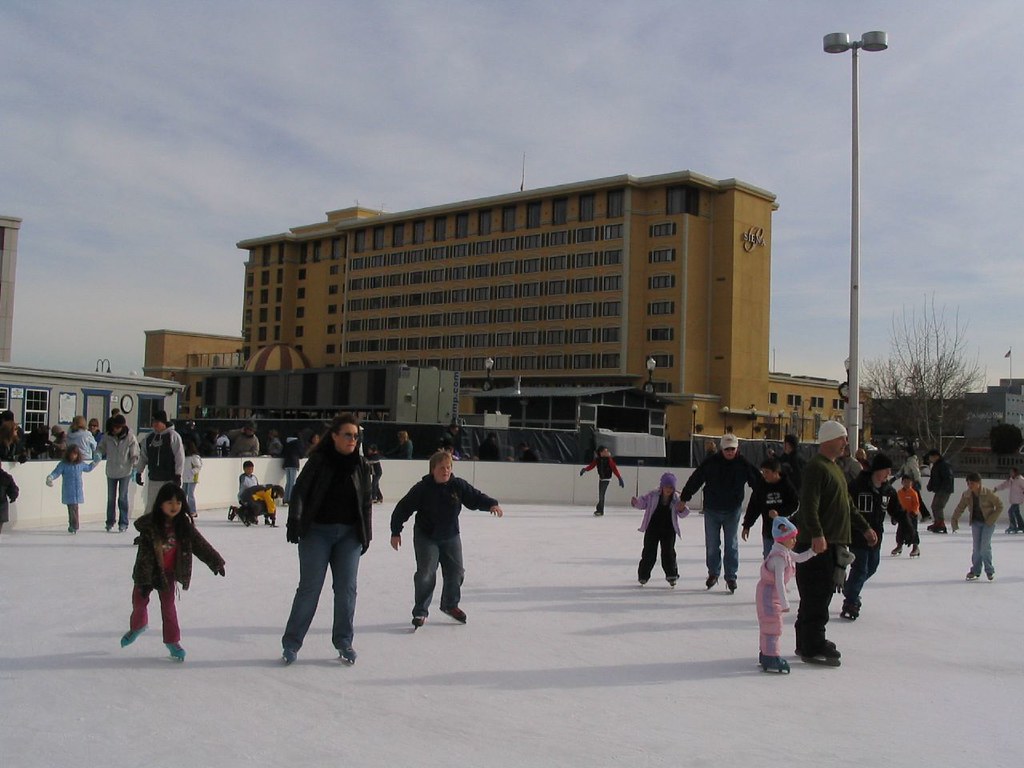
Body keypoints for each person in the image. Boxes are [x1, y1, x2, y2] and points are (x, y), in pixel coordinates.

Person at [282, 414, 373, 666]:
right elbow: (300, 491)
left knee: (346, 590)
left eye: (355, 436)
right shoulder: (319, 461)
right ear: (334, 436)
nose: (352, 439)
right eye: (347, 435)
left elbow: (366, 502)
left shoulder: (361, 465)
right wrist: (295, 519)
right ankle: (291, 642)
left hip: (349, 536)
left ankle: (344, 641)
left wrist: (366, 534)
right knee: (310, 589)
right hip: (317, 533)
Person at [793, 420, 876, 667]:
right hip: (817, 544)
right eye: (842, 438)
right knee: (816, 595)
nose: (846, 443)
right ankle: (812, 644)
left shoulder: (835, 468)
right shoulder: (816, 468)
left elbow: (847, 505)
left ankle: (807, 640)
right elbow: (809, 504)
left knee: (820, 595)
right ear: (829, 439)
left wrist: (865, 527)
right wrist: (817, 534)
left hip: (831, 543)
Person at [390, 451, 503, 628]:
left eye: (448, 467)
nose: (446, 471)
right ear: (433, 469)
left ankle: (450, 605)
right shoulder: (422, 488)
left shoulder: (457, 485)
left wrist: (491, 504)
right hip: (426, 536)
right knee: (426, 573)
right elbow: (403, 508)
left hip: (450, 535)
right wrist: (396, 531)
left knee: (456, 572)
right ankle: (420, 611)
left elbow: (474, 497)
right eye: (441, 468)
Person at [119, 483, 225, 662]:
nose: (174, 506)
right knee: (138, 603)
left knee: (168, 607)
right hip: (147, 572)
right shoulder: (151, 526)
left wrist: (216, 562)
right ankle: (138, 626)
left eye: (178, 502)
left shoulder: (183, 526)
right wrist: (144, 578)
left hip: (168, 574)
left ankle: (173, 642)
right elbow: (144, 552)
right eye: (170, 502)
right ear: (160, 503)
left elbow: (200, 545)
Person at [679, 433, 759, 593]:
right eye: (727, 449)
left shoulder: (743, 464)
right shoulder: (711, 462)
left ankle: (731, 576)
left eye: (732, 449)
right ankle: (713, 573)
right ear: (722, 448)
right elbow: (696, 478)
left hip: (732, 510)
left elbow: (758, 484)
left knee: (731, 545)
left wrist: (766, 499)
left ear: (737, 449)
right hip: (712, 510)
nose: (730, 452)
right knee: (712, 545)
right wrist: (684, 498)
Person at [755, 517, 818, 673]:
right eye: (792, 538)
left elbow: (799, 558)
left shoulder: (785, 552)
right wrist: (785, 603)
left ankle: (765, 653)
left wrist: (812, 552)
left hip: (771, 594)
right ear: (782, 539)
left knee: (769, 624)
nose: (795, 541)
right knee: (773, 625)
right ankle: (770, 656)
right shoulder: (778, 558)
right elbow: (778, 582)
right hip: (769, 596)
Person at [841, 453, 899, 621]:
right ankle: (851, 601)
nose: (888, 474)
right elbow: (846, 507)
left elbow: (897, 510)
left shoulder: (887, 490)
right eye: (886, 470)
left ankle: (850, 589)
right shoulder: (857, 486)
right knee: (860, 568)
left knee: (872, 566)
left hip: (876, 536)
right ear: (877, 470)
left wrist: (908, 526)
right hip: (858, 534)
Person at [631, 472, 689, 587]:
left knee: (668, 552)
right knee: (649, 552)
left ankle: (672, 575)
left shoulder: (676, 498)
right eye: (667, 486)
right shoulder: (653, 495)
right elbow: (643, 502)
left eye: (671, 487)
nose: (669, 489)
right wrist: (636, 502)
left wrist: (682, 509)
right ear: (662, 486)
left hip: (669, 530)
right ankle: (643, 575)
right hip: (652, 528)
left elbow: (683, 513)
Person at [741, 457, 799, 559]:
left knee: (787, 561)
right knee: (769, 560)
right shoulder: (761, 486)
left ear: (776, 472)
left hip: (786, 533)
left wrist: (779, 514)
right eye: (763, 472)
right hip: (769, 532)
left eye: (767, 472)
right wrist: (747, 525)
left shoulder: (787, 486)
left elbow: (795, 505)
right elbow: (754, 506)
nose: (764, 475)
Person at [951, 472, 1003, 581]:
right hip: (976, 523)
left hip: (988, 523)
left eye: (972, 483)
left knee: (984, 547)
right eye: (968, 483)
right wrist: (954, 520)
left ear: (979, 483)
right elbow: (960, 507)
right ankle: (975, 570)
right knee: (976, 548)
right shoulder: (966, 495)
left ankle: (989, 570)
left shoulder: (988, 493)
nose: (970, 486)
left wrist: (991, 519)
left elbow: (1000, 505)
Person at [96, 414, 140, 532]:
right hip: (111, 471)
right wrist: (98, 454)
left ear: (122, 427)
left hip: (125, 471)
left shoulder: (130, 437)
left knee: (122, 498)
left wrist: (134, 465)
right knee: (111, 498)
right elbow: (100, 447)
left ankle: (123, 522)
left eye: (118, 427)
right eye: (114, 427)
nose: (115, 429)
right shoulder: (107, 436)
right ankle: (110, 521)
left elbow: (135, 452)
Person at [135, 410, 185, 511]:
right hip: (154, 478)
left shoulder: (173, 436)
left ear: (163, 422)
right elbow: (143, 456)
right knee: (152, 506)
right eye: (153, 422)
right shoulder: (149, 438)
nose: (154, 425)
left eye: (157, 422)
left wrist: (178, 474)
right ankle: (151, 521)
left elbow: (179, 457)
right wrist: (139, 472)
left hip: (170, 478)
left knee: (169, 505)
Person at [45, 445, 100, 533]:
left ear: (78, 455)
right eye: (71, 454)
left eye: (75, 454)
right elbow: (56, 472)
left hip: (77, 491)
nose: (73, 456)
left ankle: (74, 525)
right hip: (68, 491)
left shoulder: (80, 464)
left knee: (74, 508)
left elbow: (88, 468)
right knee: (71, 508)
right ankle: (73, 525)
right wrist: (50, 477)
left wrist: (95, 462)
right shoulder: (63, 464)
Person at [579, 446, 624, 517]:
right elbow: (591, 466)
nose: (607, 452)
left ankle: (600, 511)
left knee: (601, 494)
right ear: (601, 453)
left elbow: (614, 469)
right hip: (601, 479)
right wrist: (585, 469)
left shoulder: (609, 460)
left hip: (607, 479)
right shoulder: (597, 460)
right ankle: (599, 508)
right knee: (601, 494)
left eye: (607, 451)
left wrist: (619, 478)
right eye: (605, 451)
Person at [924, 449, 954, 534]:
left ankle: (940, 523)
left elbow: (948, 477)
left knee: (937, 506)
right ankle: (938, 522)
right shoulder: (937, 465)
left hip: (944, 490)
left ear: (936, 456)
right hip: (940, 489)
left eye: (931, 457)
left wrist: (943, 488)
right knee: (935, 506)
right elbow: (934, 478)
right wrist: (930, 486)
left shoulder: (943, 465)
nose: (930, 459)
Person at [892, 474, 922, 558]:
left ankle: (915, 547)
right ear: (902, 482)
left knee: (913, 531)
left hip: (912, 516)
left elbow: (916, 505)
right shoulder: (899, 493)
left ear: (911, 483)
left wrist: (913, 513)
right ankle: (899, 546)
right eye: (905, 482)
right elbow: (896, 504)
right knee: (900, 531)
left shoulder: (913, 493)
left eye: (909, 482)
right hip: (902, 515)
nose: (907, 484)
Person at [900, 450, 931, 520]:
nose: (903, 453)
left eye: (905, 451)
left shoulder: (912, 461)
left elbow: (916, 471)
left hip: (912, 483)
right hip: (909, 482)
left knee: (917, 499)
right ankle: (925, 514)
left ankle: (925, 514)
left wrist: (917, 481)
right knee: (916, 498)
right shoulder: (907, 461)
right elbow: (901, 470)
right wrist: (895, 478)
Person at [993, 467, 1024, 534]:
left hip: (1018, 500)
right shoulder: (1011, 480)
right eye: (1010, 472)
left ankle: (1013, 526)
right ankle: (1021, 526)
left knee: (1010, 512)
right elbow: (1004, 485)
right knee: (1017, 513)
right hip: (1014, 499)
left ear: (1015, 472)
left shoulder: (1020, 479)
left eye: (1012, 472)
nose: (1010, 473)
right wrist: (996, 488)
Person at [183, 438, 202, 518]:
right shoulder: (185, 457)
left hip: (192, 478)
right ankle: (183, 510)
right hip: (185, 478)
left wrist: (192, 472)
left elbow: (198, 466)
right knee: (183, 494)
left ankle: (193, 511)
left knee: (190, 494)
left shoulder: (194, 457)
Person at [281, 435, 304, 504]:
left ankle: (285, 498)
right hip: (294, 463)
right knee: (292, 482)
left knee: (288, 482)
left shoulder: (287, 443)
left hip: (287, 463)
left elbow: (283, 453)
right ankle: (290, 499)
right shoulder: (297, 443)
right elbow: (301, 454)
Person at [0, 464, 19, 539]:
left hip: (1, 505)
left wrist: (13, 495)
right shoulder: (6, 477)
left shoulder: (5, 477)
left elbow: (13, 488)